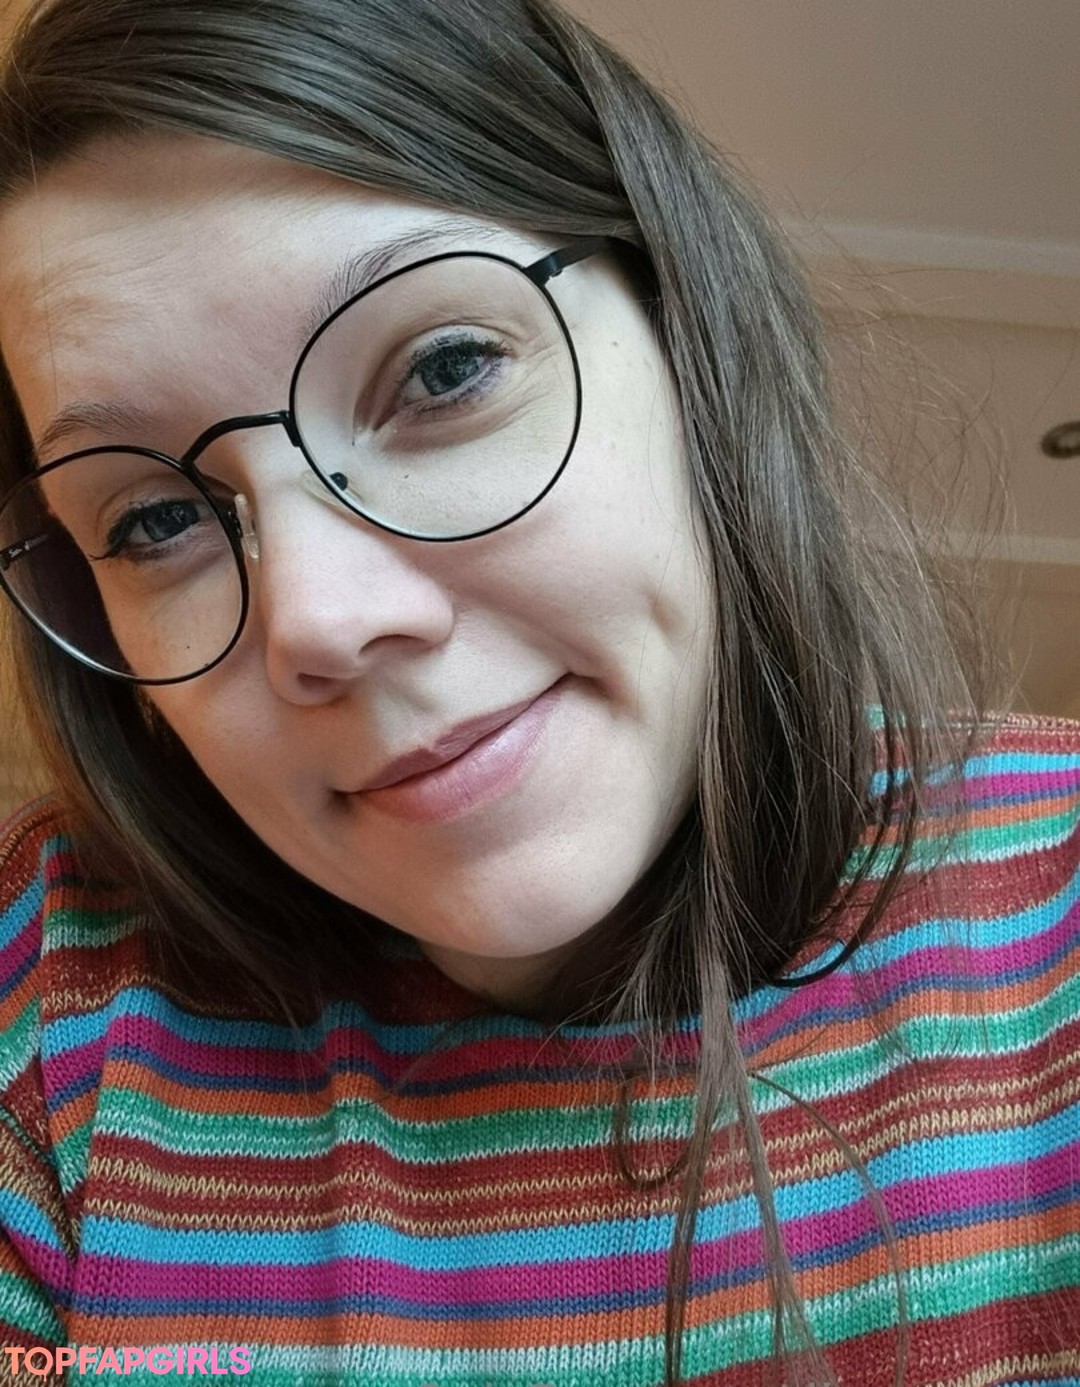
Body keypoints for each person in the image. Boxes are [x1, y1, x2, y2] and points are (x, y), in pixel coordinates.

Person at [0, 1, 1076, 1383]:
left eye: (443, 371)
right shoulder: (51, 998)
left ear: (687, 330)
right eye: (154, 521)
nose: (321, 622)